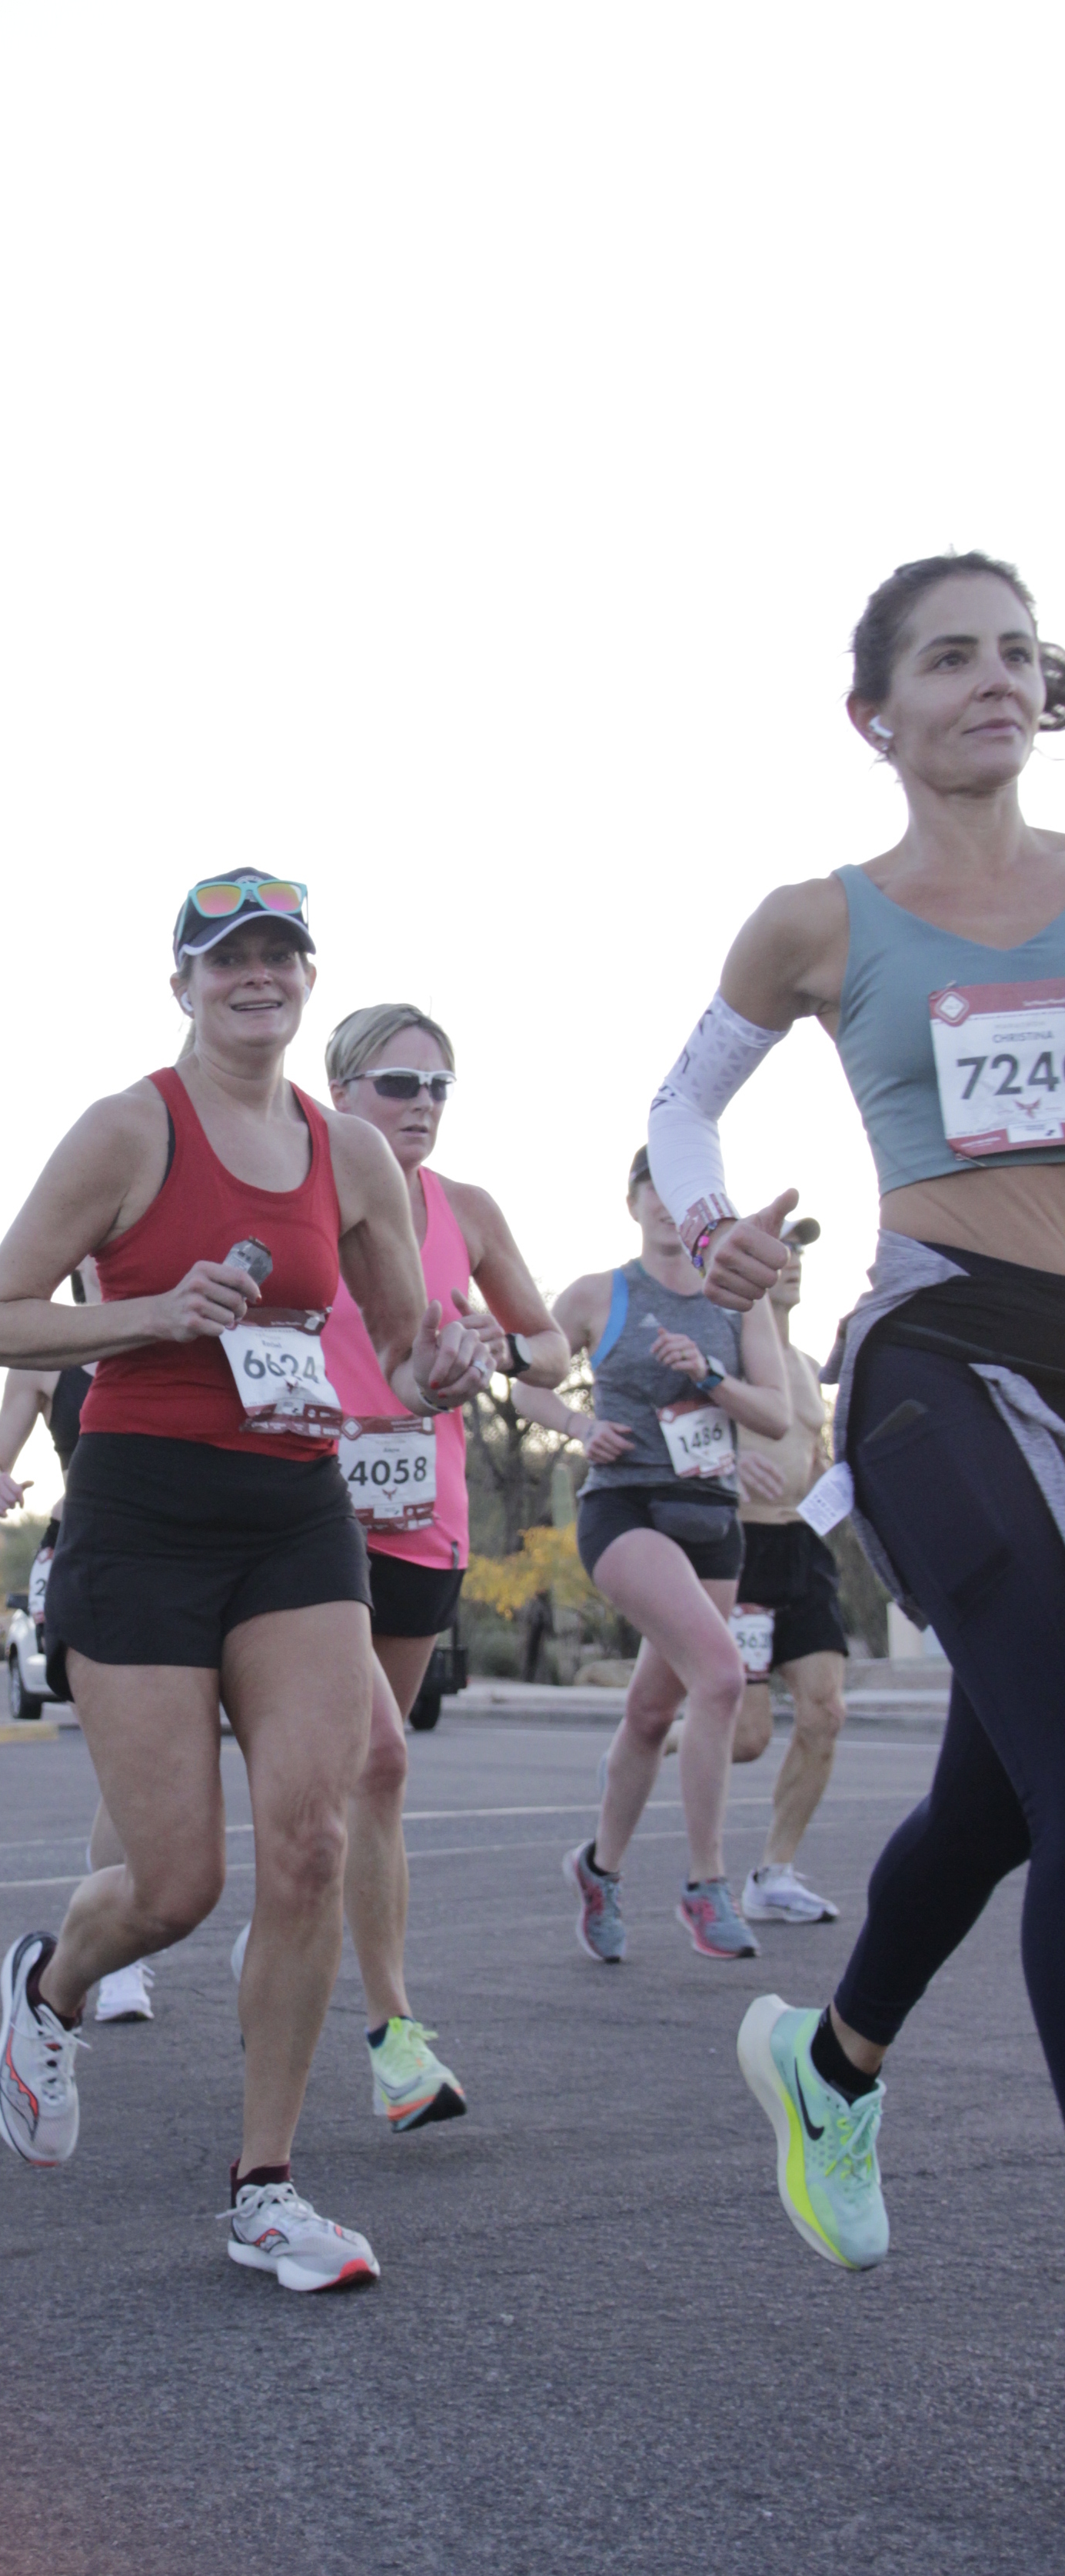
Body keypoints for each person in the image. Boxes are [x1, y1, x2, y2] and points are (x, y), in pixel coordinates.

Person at [0, 868, 493, 2291]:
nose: (256, 976)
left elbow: (403, 1351)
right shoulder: (127, 1129)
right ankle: (51, 1985)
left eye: (279, 956)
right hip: (139, 1517)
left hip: (294, 1516)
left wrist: (444, 1365)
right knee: (176, 1884)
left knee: (310, 1842)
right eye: (226, 959)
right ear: (183, 983)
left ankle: (267, 2188)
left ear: (306, 979)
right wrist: (149, 1312)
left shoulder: (350, 1155)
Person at [645, 549, 1065, 2271]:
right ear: (871, 715)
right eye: (949, 657)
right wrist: (706, 1230)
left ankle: (830, 2070)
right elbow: (681, 1107)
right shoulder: (816, 920)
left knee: (1001, 1794)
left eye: (1016, 652)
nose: (993, 678)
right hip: (936, 1353)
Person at [281, 1001, 570, 2128]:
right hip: (305, 1517)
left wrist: (504, 1344)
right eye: (399, 1084)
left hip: (421, 1520)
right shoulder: (301, 1191)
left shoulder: (470, 1211)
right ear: (342, 1092)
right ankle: (392, 2033)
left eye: (440, 1086)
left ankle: (289, 1953)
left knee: (359, 1780)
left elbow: (549, 1346)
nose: (423, 1105)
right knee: (382, 1760)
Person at [512, 1147, 790, 1961]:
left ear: (710, 1209)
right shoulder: (598, 1294)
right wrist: (579, 1426)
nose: (669, 1204)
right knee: (722, 1677)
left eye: (684, 1192)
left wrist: (709, 1375)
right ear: (631, 1202)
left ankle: (599, 1868)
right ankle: (707, 1885)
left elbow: (775, 1414)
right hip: (625, 1508)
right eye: (653, 1189)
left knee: (648, 1715)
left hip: (712, 1517)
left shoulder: (740, 1301)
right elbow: (526, 1381)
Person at [0, 1257, 155, 2025]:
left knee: (169, 1764)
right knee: (133, 1763)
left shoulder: (181, 1319)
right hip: (94, 1558)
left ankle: (123, 1928)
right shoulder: (45, 1348)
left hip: (194, 1554)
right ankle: (121, 1958)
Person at [727, 1216, 850, 1925]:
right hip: (740, 1551)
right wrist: (727, 1464)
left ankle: (773, 1874)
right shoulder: (727, 1354)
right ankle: (655, 1735)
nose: (793, 1261)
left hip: (805, 1547)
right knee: (747, 1740)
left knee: (824, 1712)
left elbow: (813, 1458)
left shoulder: (806, 1367)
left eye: (801, 1251)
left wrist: (835, 1476)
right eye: (782, 1250)